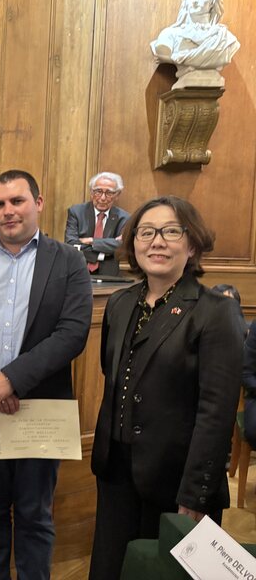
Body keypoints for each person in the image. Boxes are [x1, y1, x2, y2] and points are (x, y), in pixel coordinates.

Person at [0, 170, 92, 580]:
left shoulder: (69, 261)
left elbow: (73, 333)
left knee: (34, 513)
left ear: (38, 203)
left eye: (17, 201)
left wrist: (10, 379)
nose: (8, 211)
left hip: (41, 409)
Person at [89, 196, 243, 579]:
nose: (157, 241)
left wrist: (196, 495)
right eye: (146, 232)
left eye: (171, 231)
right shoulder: (120, 304)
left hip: (177, 482)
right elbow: (113, 373)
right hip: (116, 472)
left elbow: (216, 412)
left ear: (191, 245)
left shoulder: (214, 311)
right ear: (133, 243)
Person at [150, 0, 239, 80]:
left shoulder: (225, 38)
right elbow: (162, 51)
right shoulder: (169, 35)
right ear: (185, 2)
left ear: (212, 1)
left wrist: (174, 58)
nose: (195, 1)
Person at [64, 171, 129, 276]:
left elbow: (122, 246)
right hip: (77, 270)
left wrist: (91, 241)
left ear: (117, 195)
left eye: (109, 193)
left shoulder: (124, 218)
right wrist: (104, 252)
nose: (103, 198)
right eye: (98, 191)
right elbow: (71, 244)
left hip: (109, 275)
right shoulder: (76, 212)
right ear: (91, 192)